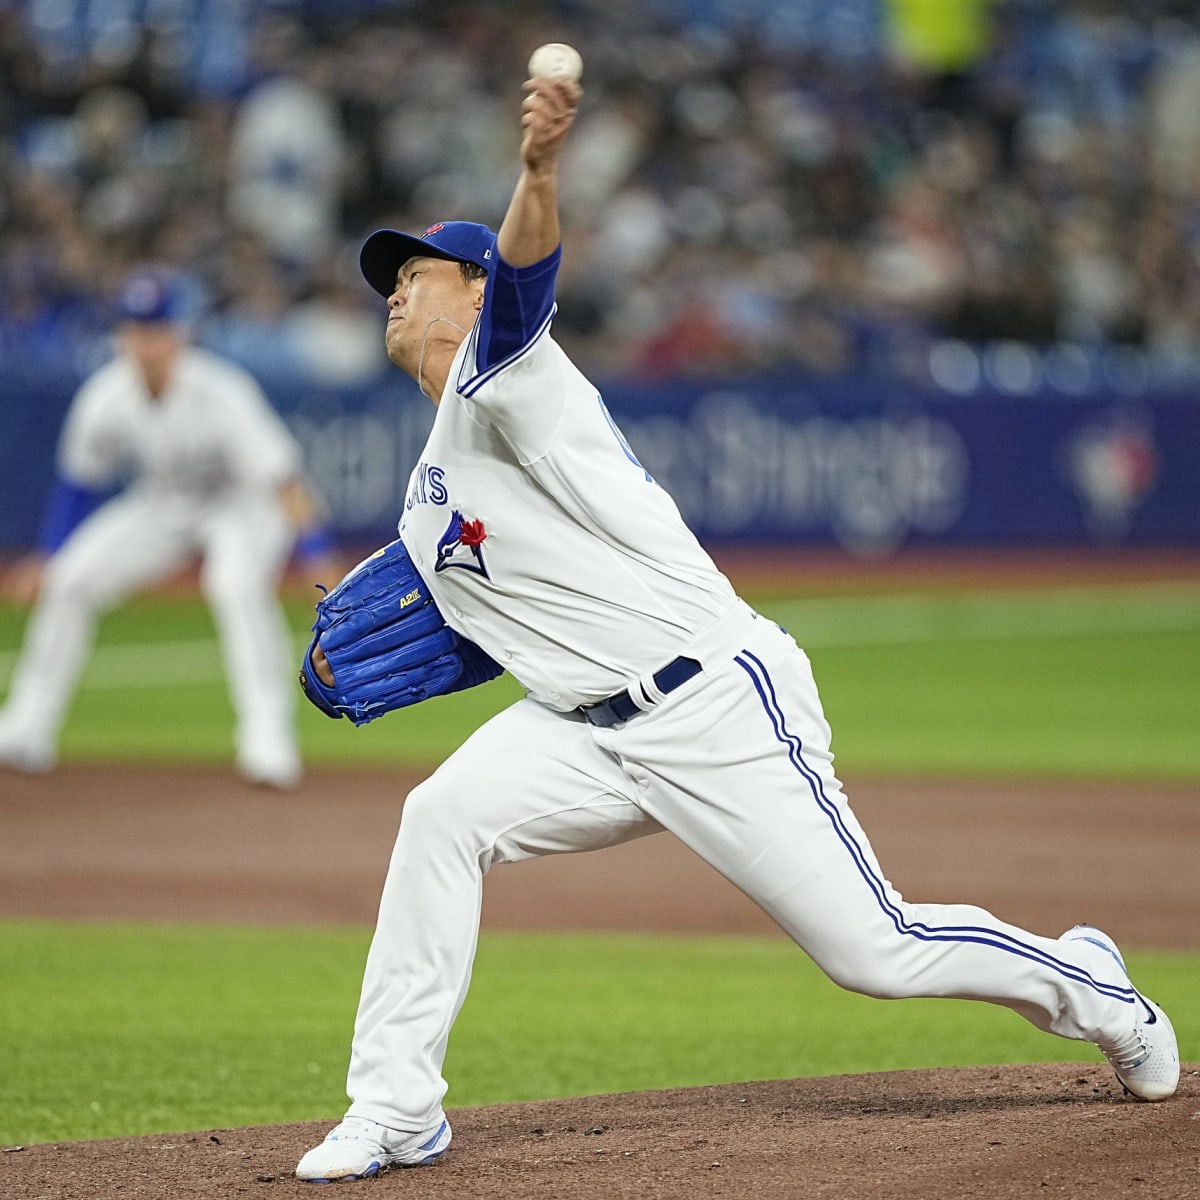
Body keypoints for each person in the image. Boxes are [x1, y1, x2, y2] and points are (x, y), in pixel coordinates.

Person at [294, 69, 1180, 1184]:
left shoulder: (508, 381)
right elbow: (494, 634)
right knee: (441, 819)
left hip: (713, 701)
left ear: (469, 297)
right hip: (582, 728)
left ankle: (1090, 984)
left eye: (417, 276)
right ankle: (397, 1109)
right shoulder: (430, 489)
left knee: (876, 951)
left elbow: (526, 280)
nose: (396, 293)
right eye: (393, 279)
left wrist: (536, 171)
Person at [0, 267, 338, 788]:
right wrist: (49, 552)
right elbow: (79, 483)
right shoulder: (106, 394)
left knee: (233, 586)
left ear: (178, 332)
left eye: (155, 328)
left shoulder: (221, 390)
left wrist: (317, 551)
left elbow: (283, 479)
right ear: (121, 335)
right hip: (163, 503)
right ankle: (28, 726)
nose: (145, 342)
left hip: (242, 506)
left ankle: (267, 737)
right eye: (135, 329)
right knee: (69, 580)